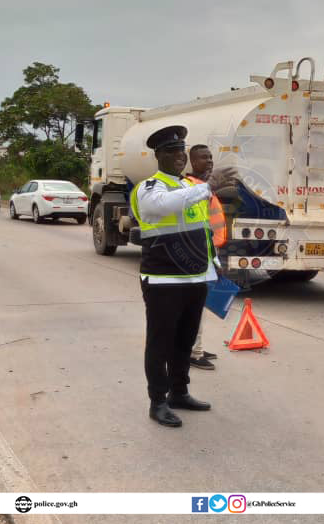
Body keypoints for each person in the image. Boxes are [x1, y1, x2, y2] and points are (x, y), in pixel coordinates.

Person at [130, 125, 236, 428]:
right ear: (158, 155)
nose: (178, 156)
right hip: (164, 279)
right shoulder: (151, 187)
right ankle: (158, 401)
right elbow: (161, 207)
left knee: (185, 342)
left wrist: (213, 264)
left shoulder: (190, 187)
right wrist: (206, 186)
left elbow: (202, 229)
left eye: (181, 151)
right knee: (160, 342)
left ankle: (179, 392)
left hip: (196, 277)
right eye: (171, 151)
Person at [187, 145, 227, 370]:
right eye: (204, 158)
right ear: (192, 161)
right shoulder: (193, 188)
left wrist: (215, 258)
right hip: (198, 256)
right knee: (195, 308)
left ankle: (195, 346)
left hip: (209, 253)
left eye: (211, 157)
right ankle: (194, 352)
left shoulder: (203, 186)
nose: (209, 161)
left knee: (200, 306)